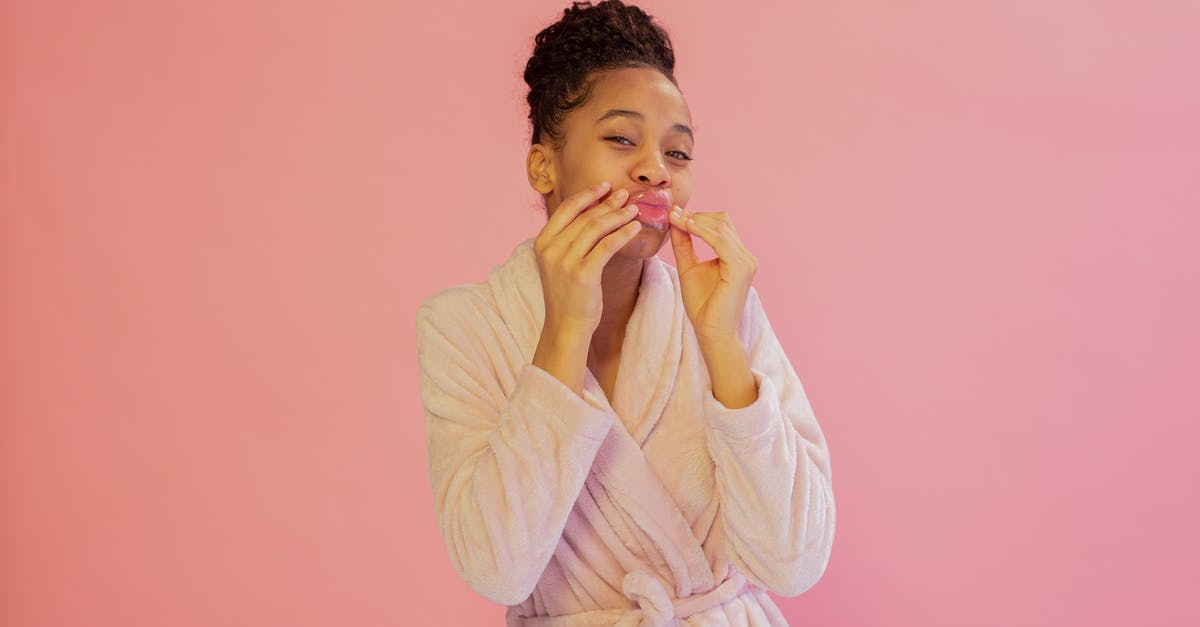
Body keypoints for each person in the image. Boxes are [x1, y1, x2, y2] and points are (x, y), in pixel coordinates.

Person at [414, 1, 835, 624]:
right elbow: (496, 568)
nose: (655, 171)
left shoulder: (725, 312)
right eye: (621, 139)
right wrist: (562, 332)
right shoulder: (463, 327)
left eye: (679, 153)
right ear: (543, 163)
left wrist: (721, 346)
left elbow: (795, 564)